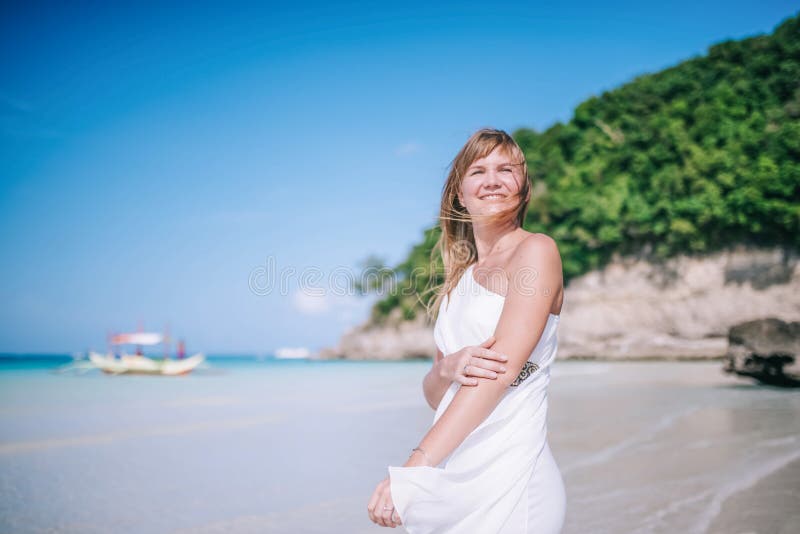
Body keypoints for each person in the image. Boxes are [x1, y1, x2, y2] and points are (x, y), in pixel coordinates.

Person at [367, 128, 566, 532]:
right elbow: (435, 394)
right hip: (459, 475)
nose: (492, 180)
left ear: (523, 188)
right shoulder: (459, 281)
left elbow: (501, 374)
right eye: (478, 171)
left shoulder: (537, 250)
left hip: (514, 475)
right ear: (459, 192)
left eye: (505, 169)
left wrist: (415, 467)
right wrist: (447, 368)